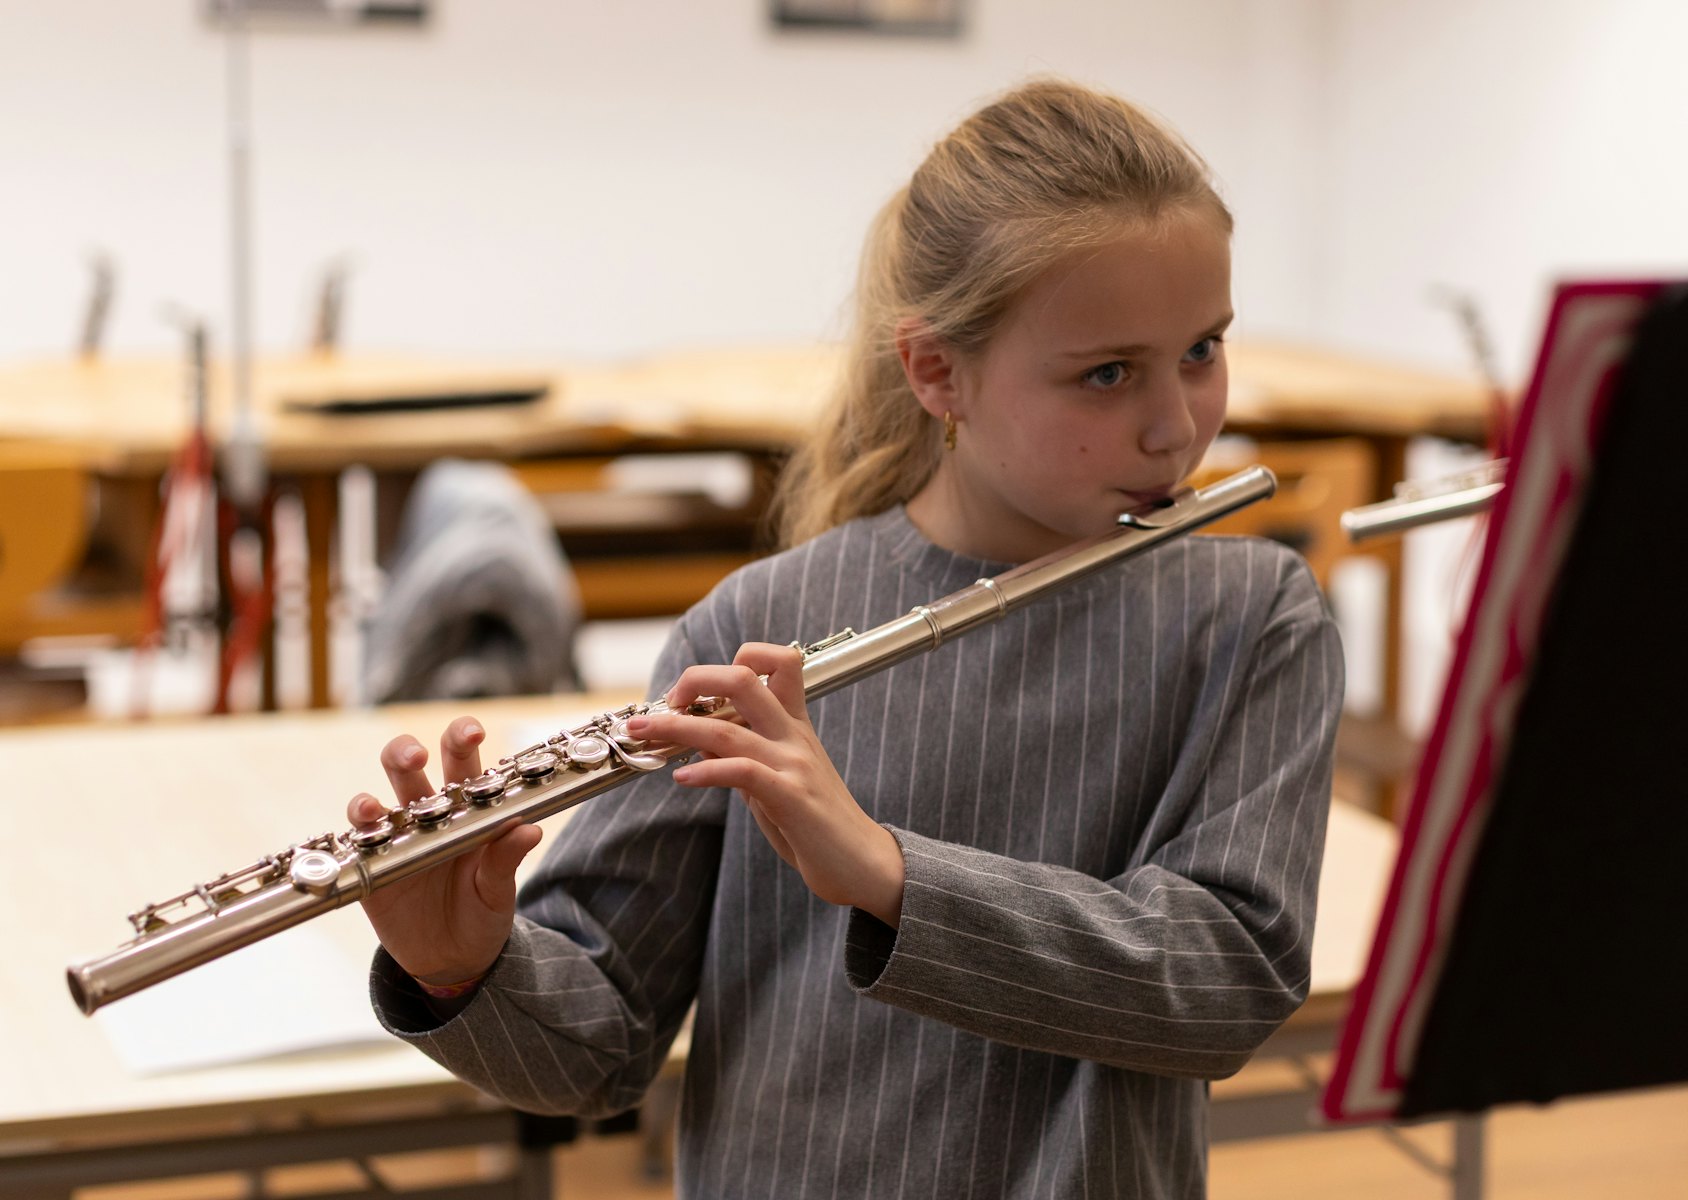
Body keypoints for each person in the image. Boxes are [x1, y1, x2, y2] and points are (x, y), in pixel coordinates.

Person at [354, 78, 1343, 1198]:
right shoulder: (752, 629)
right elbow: (603, 1042)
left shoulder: (1253, 619)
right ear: (937, 372)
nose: (1176, 424)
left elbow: (1228, 980)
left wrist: (890, 875)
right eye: (1108, 373)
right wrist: (461, 966)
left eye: (1202, 351)